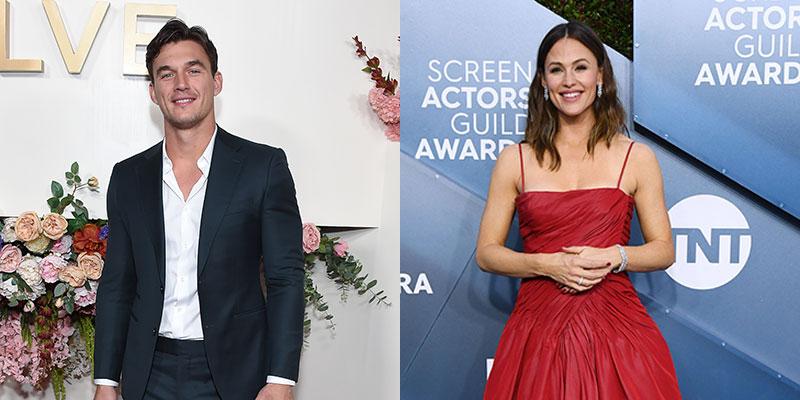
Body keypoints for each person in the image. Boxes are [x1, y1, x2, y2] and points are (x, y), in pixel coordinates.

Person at [93, 19, 304, 400]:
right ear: (153, 92)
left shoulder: (263, 167)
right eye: (167, 74)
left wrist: (281, 379)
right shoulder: (128, 177)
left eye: (194, 70)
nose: (181, 84)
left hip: (236, 373)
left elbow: (285, 278)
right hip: (148, 373)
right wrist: (106, 381)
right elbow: (116, 286)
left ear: (216, 82)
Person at [477, 21, 681, 399]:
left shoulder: (635, 158)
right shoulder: (515, 160)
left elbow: (663, 250)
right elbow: (487, 253)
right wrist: (547, 264)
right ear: (543, 80)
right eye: (557, 69)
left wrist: (612, 256)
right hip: (539, 335)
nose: (569, 80)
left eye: (581, 67)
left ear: (600, 74)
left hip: (617, 335)